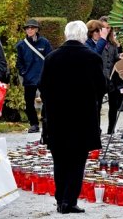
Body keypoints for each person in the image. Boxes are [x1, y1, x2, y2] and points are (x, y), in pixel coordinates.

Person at [39, 21, 107, 214]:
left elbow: (42, 86)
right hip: (82, 117)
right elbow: (100, 87)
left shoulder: (51, 58)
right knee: (77, 161)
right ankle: (70, 200)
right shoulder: (92, 58)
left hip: (57, 117)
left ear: (66, 34)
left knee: (59, 160)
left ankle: (61, 199)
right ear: (83, 36)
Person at [16, 18, 52, 133]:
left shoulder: (44, 42)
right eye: (27, 28)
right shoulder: (21, 45)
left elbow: (50, 58)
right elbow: (19, 61)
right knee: (29, 102)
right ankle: (34, 124)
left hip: (43, 77)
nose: (30, 30)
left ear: (37, 29)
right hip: (29, 77)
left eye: (32, 28)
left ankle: (45, 120)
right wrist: (23, 73)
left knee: (47, 99)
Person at [100, 23, 123, 134]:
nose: (106, 29)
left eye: (108, 27)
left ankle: (111, 129)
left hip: (112, 78)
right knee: (97, 106)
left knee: (113, 105)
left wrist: (121, 57)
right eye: (104, 27)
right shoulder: (97, 43)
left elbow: (115, 58)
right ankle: (97, 129)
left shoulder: (113, 43)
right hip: (100, 77)